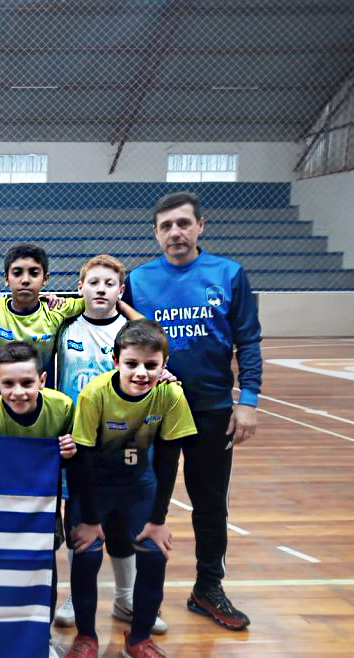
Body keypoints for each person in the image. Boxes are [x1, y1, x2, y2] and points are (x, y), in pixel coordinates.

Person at [123, 191, 262, 631]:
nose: (175, 233)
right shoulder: (139, 280)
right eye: (165, 226)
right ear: (155, 233)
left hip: (212, 409)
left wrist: (249, 400)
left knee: (209, 504)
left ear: (201, 226)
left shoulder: (229, 274)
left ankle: (208, 587)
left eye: (183, 223)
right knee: (149, 504)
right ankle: (143, 598)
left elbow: (249, 341)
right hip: (153, 413)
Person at [65, 320, 196, 658]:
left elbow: (170, 458)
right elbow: (83, 461)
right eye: (132, 363)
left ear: (163, 364)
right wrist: (90, 520)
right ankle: (86, 636)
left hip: (140, 486)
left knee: (154, 553)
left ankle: (138, 641)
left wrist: (158, 519)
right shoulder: (94, 394)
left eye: (151, 366)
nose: (141, 373)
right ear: (115, 360)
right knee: (87, 552)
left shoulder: (170, 395)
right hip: (97, 485)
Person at [53, 254, 169, 636]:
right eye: (93, 282)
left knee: (122, 524)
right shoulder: (64, 326)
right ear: (80, 287)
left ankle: (126, 597)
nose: (100, 289)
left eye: (109, 284)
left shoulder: (132, 334)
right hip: (79, 440)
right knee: (80, 518)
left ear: (121, 291)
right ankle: (75, 594)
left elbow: (153, 348)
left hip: (125, 442)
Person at [0, 341, 77, 658]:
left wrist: (70, 448)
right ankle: (2, 634)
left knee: (44, 569)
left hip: (44, 508)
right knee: (4, 572)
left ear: (43, 380)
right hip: (6, 509)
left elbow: (81, 458)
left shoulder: (63, 408)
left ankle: (41, 638)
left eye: (27, 383)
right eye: (8, 384)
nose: (18, 392)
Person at [0, 245, 87, 427]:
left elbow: (93, 300)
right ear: (6, 279)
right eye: (17, 273)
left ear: (45, 279)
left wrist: (60, 298)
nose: (25, 280)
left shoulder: (56, 310)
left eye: (34, 273)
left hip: (36, 412)